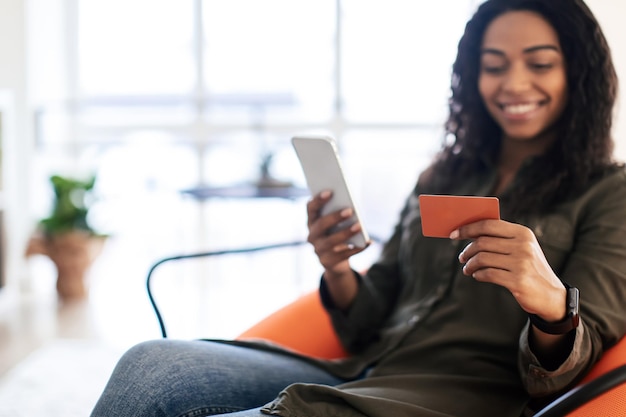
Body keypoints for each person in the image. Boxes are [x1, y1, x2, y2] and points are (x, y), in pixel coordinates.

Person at [90, 0, 626, 416]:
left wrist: (551, 303)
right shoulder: (444, 176)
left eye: (540, 63)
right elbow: (371, 315)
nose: (513, 83)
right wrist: (338, 267)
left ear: (577, 76)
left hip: (449, 400)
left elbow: (575, 368)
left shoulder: (608, 192)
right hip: (360, 369)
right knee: (149, 364)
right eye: (493, 65)